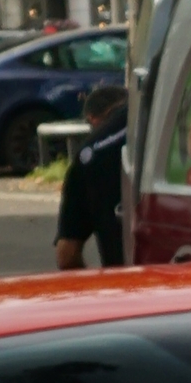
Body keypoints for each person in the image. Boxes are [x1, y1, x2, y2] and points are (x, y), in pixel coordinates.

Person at [54, 82, 127, 269]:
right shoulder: (163, 122)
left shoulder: (88, 156)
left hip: (125, 283)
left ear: (92, 119)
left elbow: (67, 253)